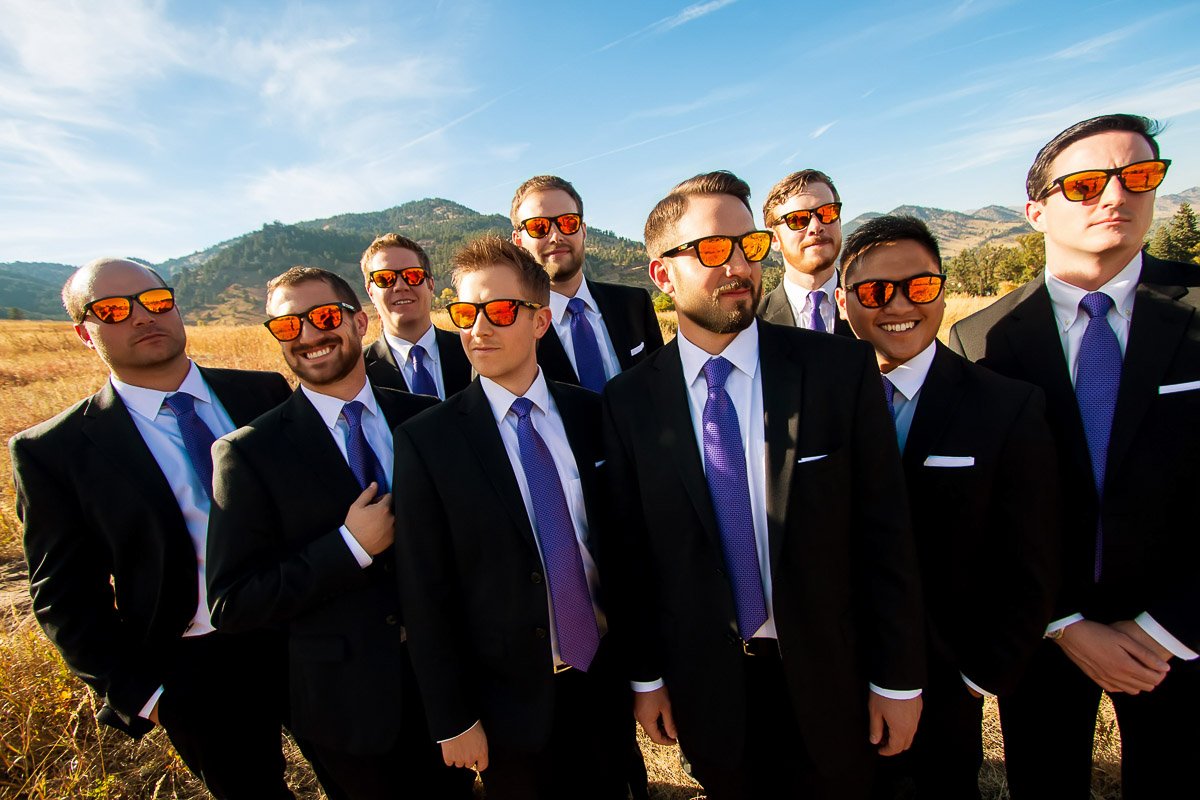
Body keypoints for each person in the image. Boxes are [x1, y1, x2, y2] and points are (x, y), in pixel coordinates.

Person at [600, 171, 925, 800]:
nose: (740, 267)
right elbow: (630, 552)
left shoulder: (836, 370)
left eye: (750, 247)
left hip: (837, 678)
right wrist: (645, 678)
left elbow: (885, 532)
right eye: (714, 250)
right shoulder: (629, 401)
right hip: (708, 691)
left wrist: (899, 680)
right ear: (661, 274)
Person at [949, 113, 1199, 798]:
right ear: (1037, 210)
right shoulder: (983, 338)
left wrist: (1168, 628)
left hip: (1183, 634)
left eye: (1139, 176)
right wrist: (1061, 621)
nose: (1115, 197)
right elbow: (984, 506)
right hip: (1042, 634)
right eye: (1086, 184)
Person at [10, 258, 294, 799]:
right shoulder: (54, 451)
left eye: (155, 301)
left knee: (366, 776)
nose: (141, 317)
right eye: (114, 310)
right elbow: (63, 596)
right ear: (83, 334)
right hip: (195, 667)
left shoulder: (263, 394)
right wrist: (146, 695)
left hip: (302, 631)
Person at [204, 267, 470, 800]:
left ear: (359, 320)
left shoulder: (427, 418)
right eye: (287, 326)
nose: (307, 335)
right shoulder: (248, 452)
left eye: (323, 317)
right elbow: (234, 601)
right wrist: (349, 548)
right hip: (348, 705)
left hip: (455, 679)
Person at [393, 236, 639, 799]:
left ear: (540, 321)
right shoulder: (428, 440)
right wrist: (453, 719)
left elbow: (625, 548)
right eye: (465, 312)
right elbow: (425, 591)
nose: (479, 328)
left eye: (500, 311)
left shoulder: (593, 414)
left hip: (603, 678)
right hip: (505, 700)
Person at [835, 216, 1059, 799]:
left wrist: (977, 677)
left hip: (946, 688)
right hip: (833, 680)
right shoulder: (810, 406)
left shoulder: (1006, 406)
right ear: (842, 301)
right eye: (877, 292)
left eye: (922, 286)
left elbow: (1030, 558)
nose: (900, 304)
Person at [511, 174, 663, 391]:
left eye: (568, 222)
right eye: (538, 227)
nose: (555, 236)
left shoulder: (634, 303)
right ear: (519, 241)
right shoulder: (513, 328)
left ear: (582, 230)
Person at [360, 233, 472, 399]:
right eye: (384, 278)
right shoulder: (358, 371)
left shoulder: (472, 349)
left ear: (430, 284)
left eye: (413, 275)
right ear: (370, 292)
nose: (400, 286)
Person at [757, 169, 853, 335]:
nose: (816, 227)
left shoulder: (872, 306)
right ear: (774, 239)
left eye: (827, 212)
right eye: (797, 219)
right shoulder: (755, 326)